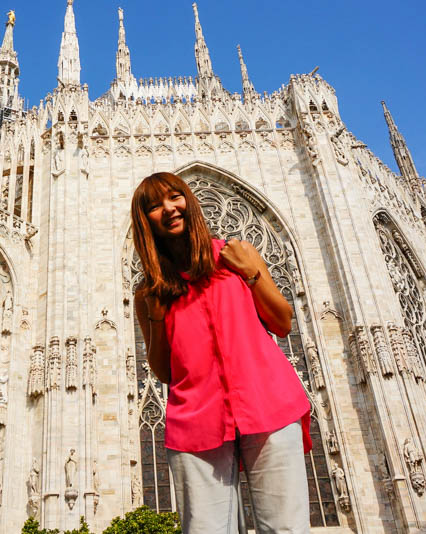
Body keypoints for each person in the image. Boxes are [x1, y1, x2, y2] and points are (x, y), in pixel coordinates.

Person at [131, 172, 312, 534]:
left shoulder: (238, 254)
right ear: (145, 221)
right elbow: (165, 372)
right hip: (196, 419)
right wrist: (156, 315)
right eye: (154, 206)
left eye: (174, 197)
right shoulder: (148, 293)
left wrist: (251, 274)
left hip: (268, 403)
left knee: (286, 529)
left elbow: (282, 322)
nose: (168, 209)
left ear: (188, 200)